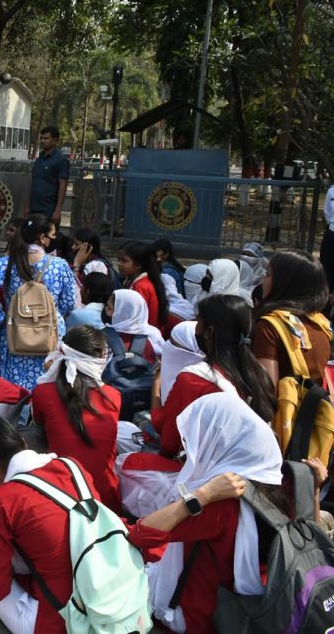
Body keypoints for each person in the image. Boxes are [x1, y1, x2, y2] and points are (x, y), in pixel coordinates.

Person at [127, 393, 285, 633]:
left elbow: (140, 534)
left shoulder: (220, 504)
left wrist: (203, 494)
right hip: (259, 602)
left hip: (203, 617)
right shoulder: (279, 485)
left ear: (218, 443)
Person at [0, 410, 113, 634]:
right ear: (24, 443)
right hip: (108, 594)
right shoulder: (72, 466)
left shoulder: (3, 499)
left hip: (60, 620)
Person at [151, 294, 275, 459]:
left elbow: (168, 444)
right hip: (251, 470)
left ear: (209, 331)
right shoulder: (260, 374)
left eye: (198, 321)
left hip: (208, 477)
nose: (195, 328)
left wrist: (156, 386)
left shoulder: (193, 379)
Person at [0, 214, 76, 391]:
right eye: (52, 236)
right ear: (43, 238)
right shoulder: (59, 265)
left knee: (12, 389)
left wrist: (0, 318)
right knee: (46, 387)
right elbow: (69, 302)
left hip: (15, 331)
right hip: (49, 334)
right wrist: (54, 316)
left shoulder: (6, 263)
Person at [32, 326, 122, 512]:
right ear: (98, 357)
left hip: (59, 492)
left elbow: (40, 423)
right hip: (105, 496)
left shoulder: (43, 392)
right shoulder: (114, 396)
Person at [252, 250, 331, 389]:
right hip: (314, 409)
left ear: (284, 283)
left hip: (282, 409)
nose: (262, 281)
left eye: (268, 274)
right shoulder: (321, 324)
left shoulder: (269, 326)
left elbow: (266, 389)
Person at [117, 240, 169, 331]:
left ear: (138, 265)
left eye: (124, 261)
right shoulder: (132, 280)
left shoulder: (141, 286)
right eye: (119, 259)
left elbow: (136, 320)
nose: (119, 263)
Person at [102, 289, 164, 362]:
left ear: (123, 313)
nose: (105, 309)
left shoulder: (102, 338)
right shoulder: (153, 335)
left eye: (109, 308)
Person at [28, 125, 69, 223]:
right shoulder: (39, 160)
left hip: (49, 210)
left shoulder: (61, 160)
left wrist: (58, 210)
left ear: (55, 140)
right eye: (41, 138)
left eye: (46, 138)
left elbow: (63, 185)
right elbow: (33, 184)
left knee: (46, 237)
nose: (42, 140)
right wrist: (27, 207)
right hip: (34, 208)